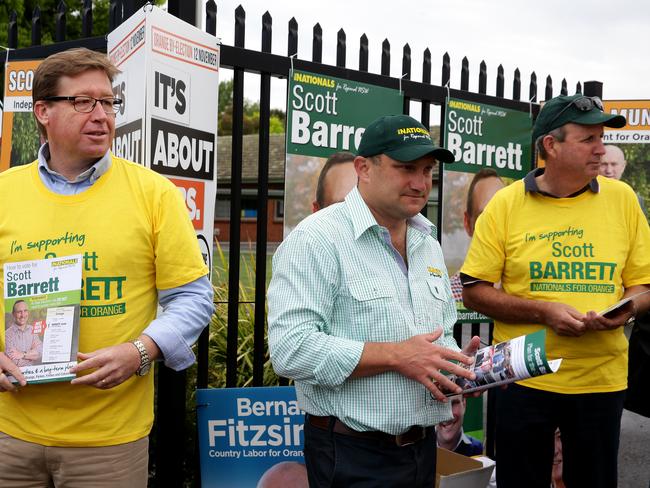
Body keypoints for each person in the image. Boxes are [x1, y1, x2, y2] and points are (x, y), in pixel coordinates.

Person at [0, 48, 213, 487]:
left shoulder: (155, 194)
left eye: (108, 102)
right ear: (42, 111)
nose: (101, 115)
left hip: (110, 442)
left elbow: (193, 298)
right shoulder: (5, 190)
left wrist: (141, 350)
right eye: (83, 102)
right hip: (10, 435)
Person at [268, 114, 480, 487]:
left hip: (421, 449)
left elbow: (435, 339)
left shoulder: (428, 246)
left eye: (427, 170)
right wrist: (398, 356)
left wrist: (464, 368)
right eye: (406, 168)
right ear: (364, 168)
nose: (420, 183)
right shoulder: (317, 240)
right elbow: (290, 349)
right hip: (352, 455)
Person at [461, 93, 650, 488]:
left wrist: (625, 311)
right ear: (551, 144)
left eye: (602, 138)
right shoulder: (506, 204)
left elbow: (644, 285)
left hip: (600, 382)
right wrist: (543, 312)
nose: (602, 149)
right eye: (588, 139)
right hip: (522, 379)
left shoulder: (623, 199)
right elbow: (475, 290)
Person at [450, 169, 505, 302]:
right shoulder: (449, 297)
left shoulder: (525, 289)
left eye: (504, 215)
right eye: (485, 217)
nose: (497, 226)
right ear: (468, 223)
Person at [4, 300, 43, 367]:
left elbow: (40, 352)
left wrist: (22, 354)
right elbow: (14, 362)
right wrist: (32, 356)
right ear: (13, 314)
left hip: (33, 373)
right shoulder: (7, 335)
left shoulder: (32, 330)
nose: (23, 315)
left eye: (25, 311)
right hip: (14, 375)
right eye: (19, 312)